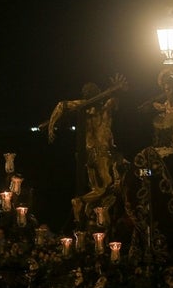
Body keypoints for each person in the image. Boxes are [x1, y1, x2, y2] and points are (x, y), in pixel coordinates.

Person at [44, 73, 128, 221]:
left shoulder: (84, 107)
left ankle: (89, 210)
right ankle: (80, 201)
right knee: (107, 184)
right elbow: (114, 101)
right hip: (100, 152)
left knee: (96, 189)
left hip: (87, 153)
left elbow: (62, 105)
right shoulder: (102, 110)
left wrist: (51, 125)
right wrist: (117, 92)